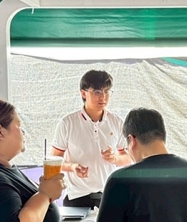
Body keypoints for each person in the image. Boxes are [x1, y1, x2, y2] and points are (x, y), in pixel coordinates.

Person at [52, 70, 130, 208]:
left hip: (108, 194)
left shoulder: (117, 122)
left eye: (107, 91)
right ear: (83, 93)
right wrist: (72, 167)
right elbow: (53, 162)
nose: (103, 97)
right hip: (76, 196)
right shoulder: (68, 123)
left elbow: (128, 158)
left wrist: (114, 159)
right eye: (97, 92)